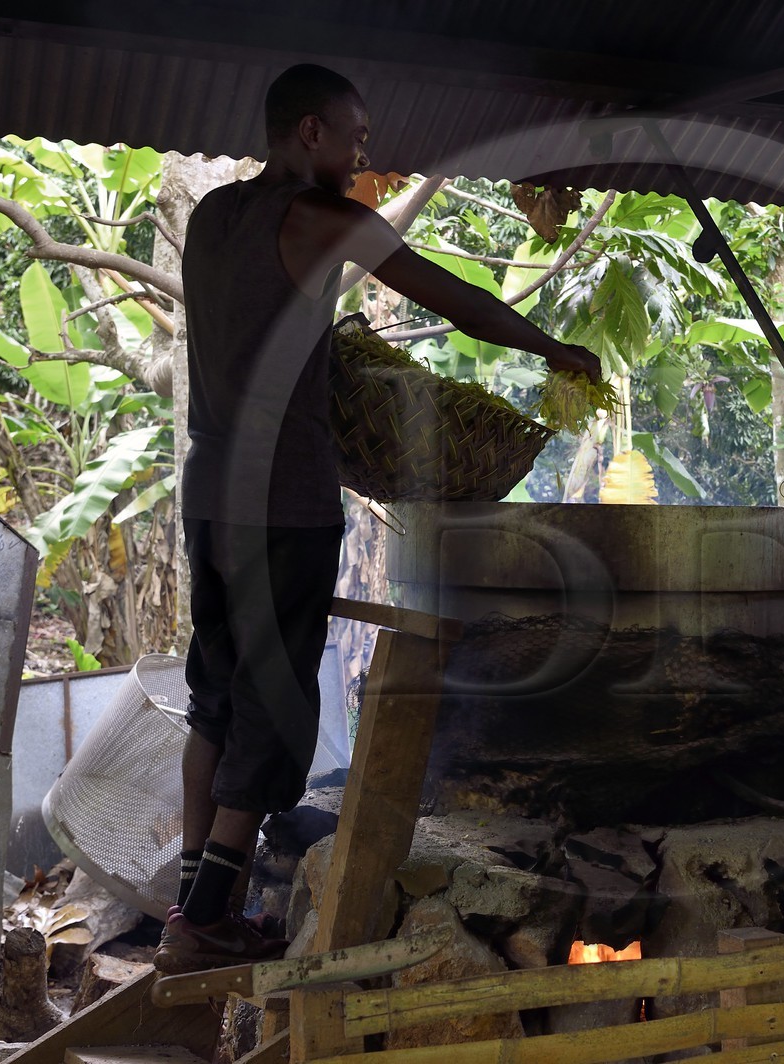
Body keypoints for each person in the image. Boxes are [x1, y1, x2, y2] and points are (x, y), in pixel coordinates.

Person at [154, 63, 601, 974]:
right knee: (268, 710)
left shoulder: (210, 219)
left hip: (208, 494)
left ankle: (191, 904)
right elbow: (460, 304)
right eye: (355, 138)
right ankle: (202, 921)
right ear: (309, 132)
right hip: (282, 501)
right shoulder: (325, 219)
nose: (365, 156)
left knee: (216, 695)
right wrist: (554, 347)